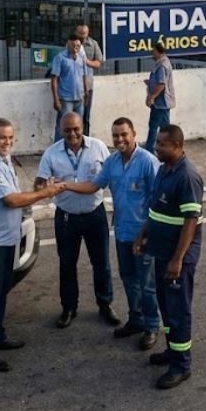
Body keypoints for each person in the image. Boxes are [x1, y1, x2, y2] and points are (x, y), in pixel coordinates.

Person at [0, 118, 67, 372]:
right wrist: (46, 193)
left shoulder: (4, 161)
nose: (8, 142)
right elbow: (11, 200)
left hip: (6, 239)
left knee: (0, 291)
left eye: (11, 138)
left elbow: (18, 195)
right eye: (2, 137)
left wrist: (37, 192)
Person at [61, 117, 161, 350]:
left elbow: (158, 201)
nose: (119, 139)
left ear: (134, 134)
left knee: (147, 284)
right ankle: (136, 320)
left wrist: (146, 233)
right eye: (115, 135)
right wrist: (65, 185)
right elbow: (94, 186)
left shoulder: (148, 162)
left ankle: (152, 325)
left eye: (124, 134)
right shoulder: (112, 162)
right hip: (122, 233)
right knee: (128, 280)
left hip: (143, 236)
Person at [35, 112, 120, 330]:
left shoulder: (99, 147)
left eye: (76, 129)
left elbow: (111, 175)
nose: (72, 134)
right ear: (60, 131)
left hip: (95, 214)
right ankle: (69, 308)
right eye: (67, 130)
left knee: (101, 262)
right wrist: (43, 186)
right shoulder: (51, 153)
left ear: (83, 127)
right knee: (66, 264)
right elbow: (39, 183)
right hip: (66, 217)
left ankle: (105, 304)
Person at [135, 124, 203, 390]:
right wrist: (143, 234)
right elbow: (156, 209)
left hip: (178, 258)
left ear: (177, 146)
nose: (156, 147)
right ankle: (172, 352)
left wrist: (177, 260)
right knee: (166, 306)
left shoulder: (187, 177)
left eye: (161, 144)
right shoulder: (164, 169)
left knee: (178, 311)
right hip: (161, 252)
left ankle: (181, 365)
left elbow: (190, 220)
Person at [49, 34, 86, 138]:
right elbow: (54, 79)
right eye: (74, 46)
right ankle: (58, 148)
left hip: (79, 98)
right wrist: (56, 99)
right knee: (64, 125)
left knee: (78, 124)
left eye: (78, 46)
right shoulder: (60, 58)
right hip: (65, 99)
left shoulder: (81, 58)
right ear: (68, 45)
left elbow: (83, 76)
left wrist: (86, 92)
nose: (76, 48)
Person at [144, 41, 175, 152]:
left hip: (161, 102)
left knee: (159, 128)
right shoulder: (162, 63)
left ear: (157, 51)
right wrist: (151, 83)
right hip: (159, 103)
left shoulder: (162, 65)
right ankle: (156, 147)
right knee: (159, 126)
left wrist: (151, 97)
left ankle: (152, 148)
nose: (152, 54)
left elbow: (161, 84)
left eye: (153, 51)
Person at [75, 23, 104, 136]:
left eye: (85, 33)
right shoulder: (71, 43)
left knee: (86, 116)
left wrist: (86, 62)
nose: (82, 36)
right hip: (73, 86)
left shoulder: (93, 44)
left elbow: (99, 62)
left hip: (88, 86)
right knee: (73, 116)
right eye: (80, 33)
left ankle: (85, 139)